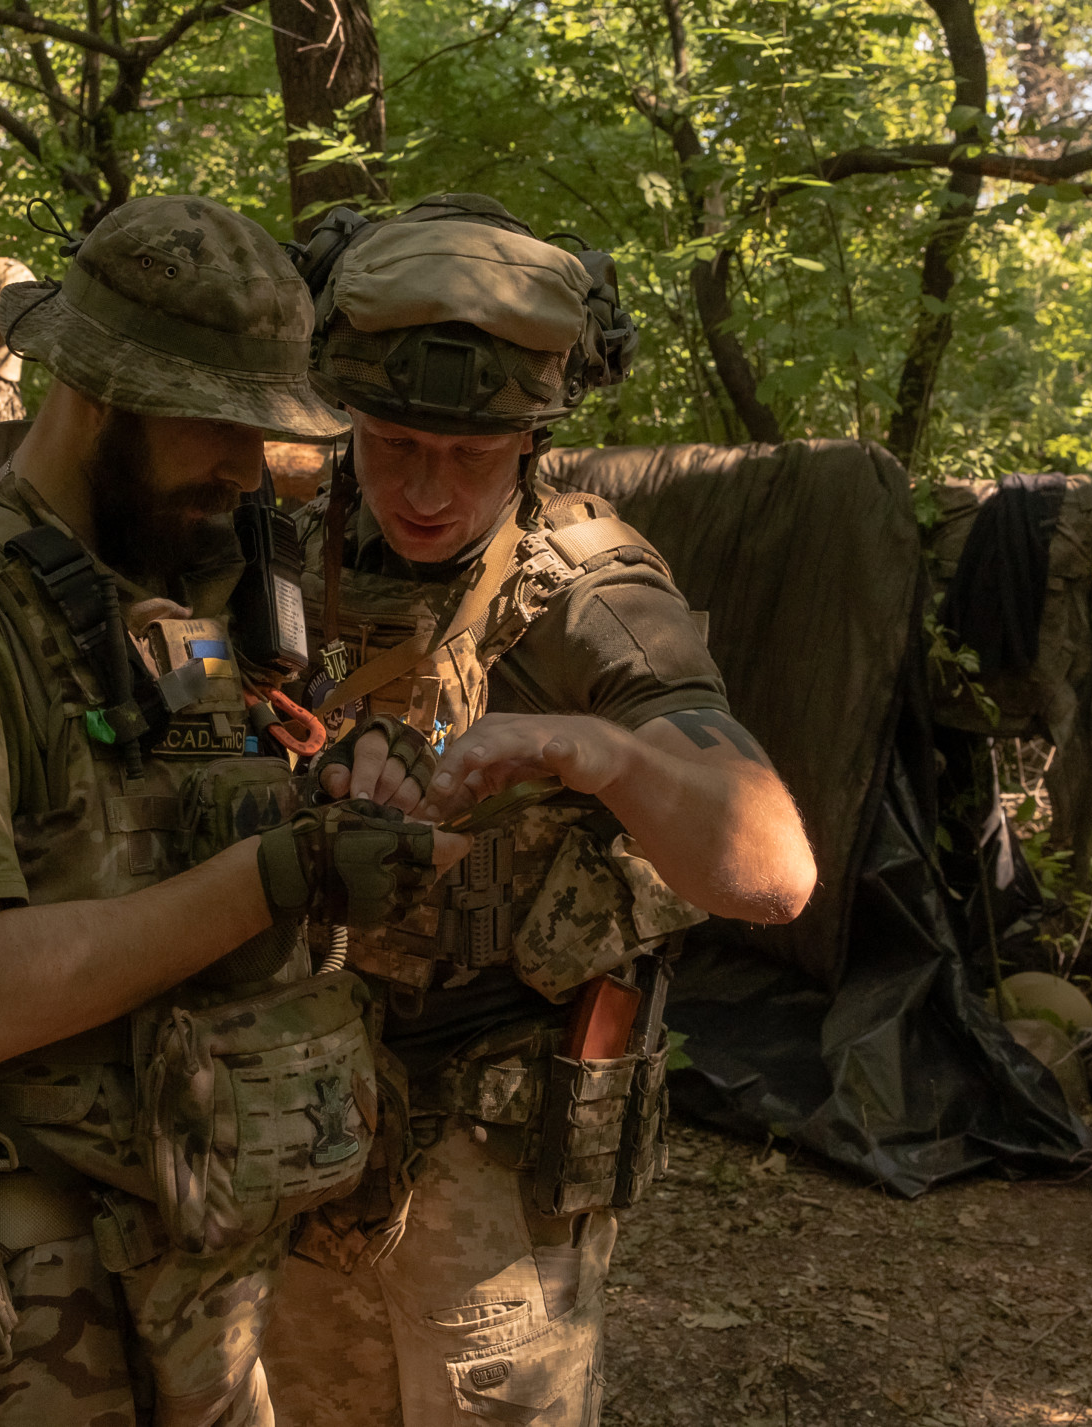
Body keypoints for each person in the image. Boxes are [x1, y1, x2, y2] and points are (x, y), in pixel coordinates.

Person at [0, 195, 462, 1427]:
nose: (248, 469)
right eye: (215, 427)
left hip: (183, 1245)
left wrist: (333, 780)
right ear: (97, 394)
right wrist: (279, 873)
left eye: (263, 431)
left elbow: (157, 819)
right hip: (12, 1281)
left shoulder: (177, 581)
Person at [263, 194, 819, 1425]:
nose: (424, 486)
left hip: (488, 1135)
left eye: (472, 456)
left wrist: (593, 749)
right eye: (393, 440)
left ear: (534, 439)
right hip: (296, 1093)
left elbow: (773, 870)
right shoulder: (284, 549)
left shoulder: (591, 590)